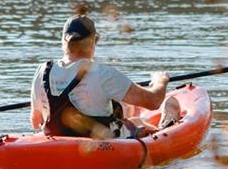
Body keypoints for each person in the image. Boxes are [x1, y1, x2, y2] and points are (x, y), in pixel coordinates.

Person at [31, 14, 170, 139]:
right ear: (92, 43)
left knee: (128, 114)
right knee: (170, 104)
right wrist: (160, 81)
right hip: (102, 147)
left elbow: (36, 121)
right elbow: (153, 102)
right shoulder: (103, 73)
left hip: (57, 145)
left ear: (63, 43)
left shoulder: (43, 71)